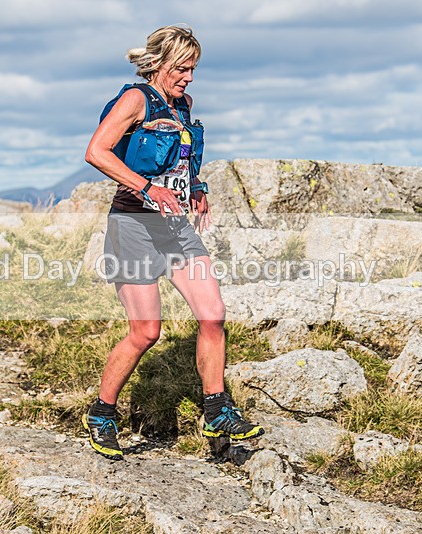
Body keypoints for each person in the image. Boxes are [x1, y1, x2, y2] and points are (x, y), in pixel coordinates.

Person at [82, 25, 264, 460]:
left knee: (213, 315)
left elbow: (182, 162)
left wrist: (196, 187)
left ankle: (216, 410)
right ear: (159, 64)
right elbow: (97, 151)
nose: (189, 77)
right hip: (134, 224)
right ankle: (102, 413)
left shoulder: (183, 105)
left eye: (193, 69)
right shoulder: (135, 100)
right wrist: (147, 188)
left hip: (176, 227)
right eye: (182, 68)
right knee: (146, 331)